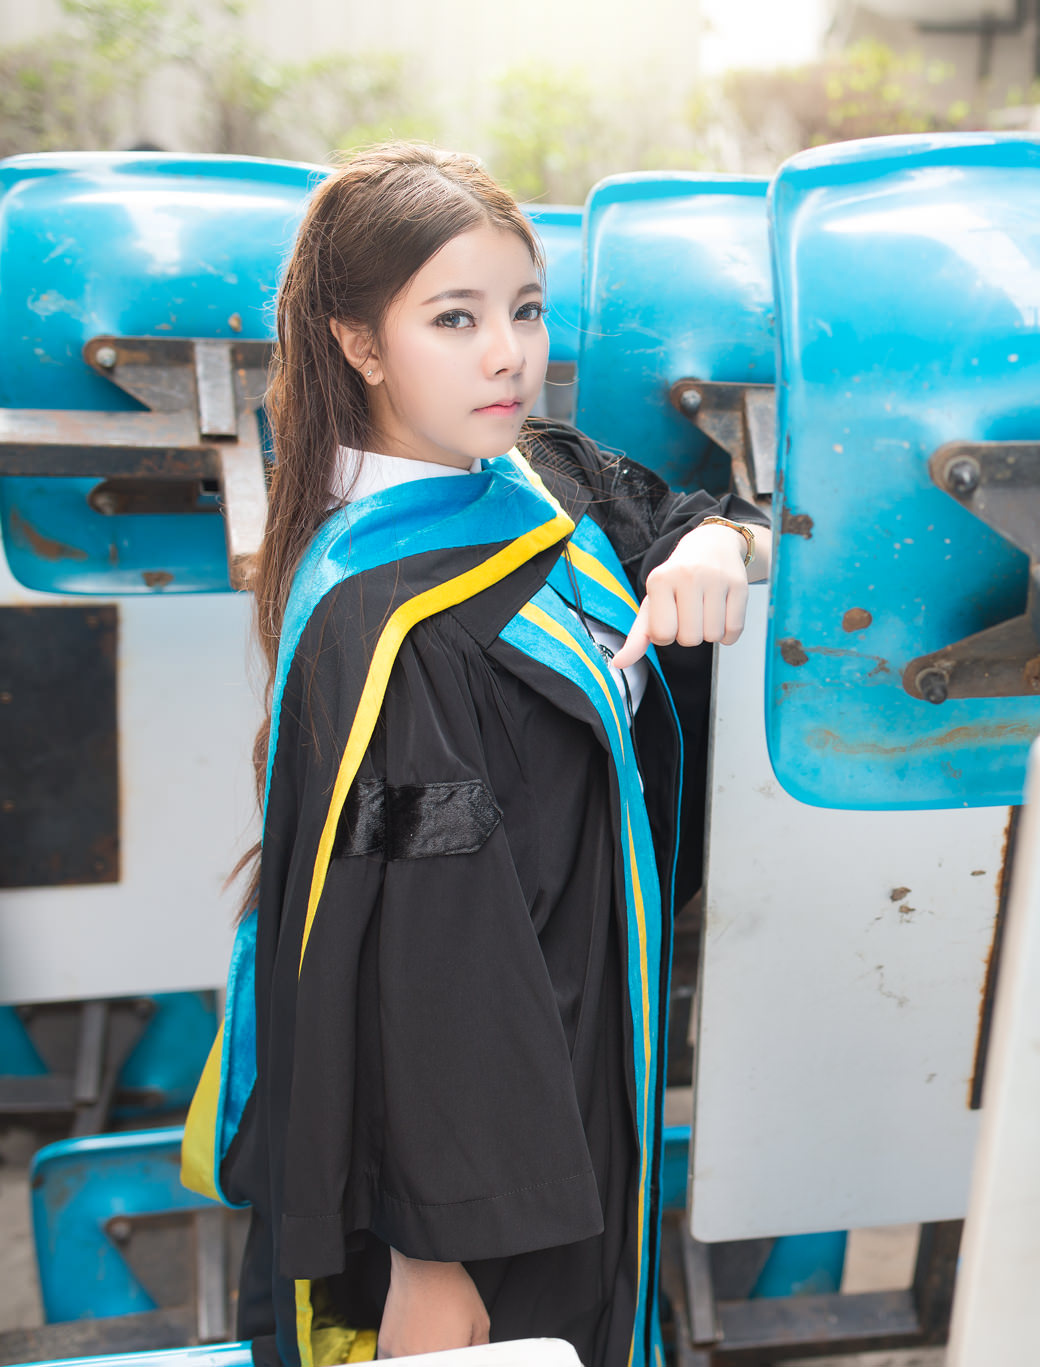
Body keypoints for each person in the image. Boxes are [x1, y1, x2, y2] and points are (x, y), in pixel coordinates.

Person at [179, 142, 769, 1367]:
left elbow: (688, 515)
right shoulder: (386, 614)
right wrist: (431, 1257)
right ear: (358, 341)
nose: (508, 353)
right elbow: (425, 955)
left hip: (593, 1022)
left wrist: (714, 548)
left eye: (526, 309)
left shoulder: (540, 475)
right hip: (486, 1144)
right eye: (455, 318)